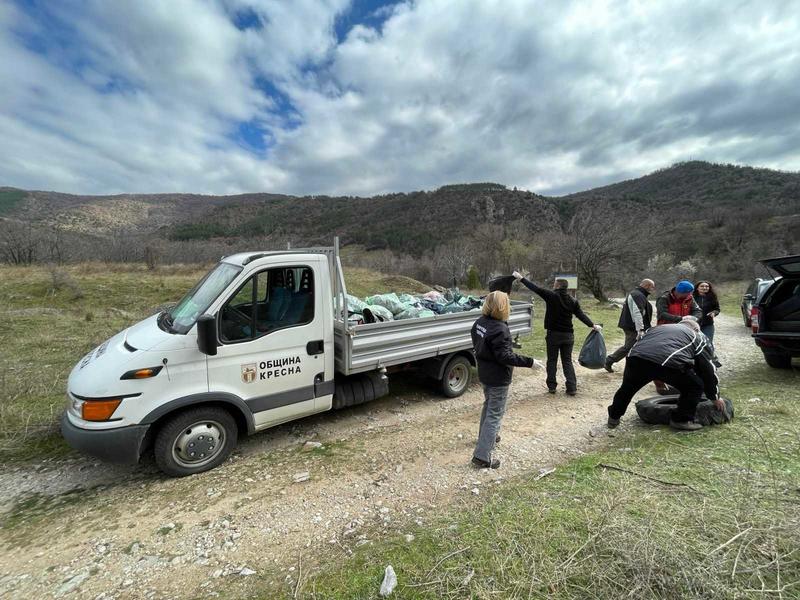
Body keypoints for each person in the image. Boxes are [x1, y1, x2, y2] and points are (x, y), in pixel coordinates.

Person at [607, 317, 722, 431]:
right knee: (695, 386)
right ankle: (681, 420)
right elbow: (707, 369)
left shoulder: (657, 328)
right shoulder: (696, 336)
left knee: (627, 388)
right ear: (696, 329)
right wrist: (714, 396)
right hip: (666, 361)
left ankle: (613, 417)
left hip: (636, 357)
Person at [470, 291, 540, 469]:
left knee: (488, 407)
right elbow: (505, 357)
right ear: (503, 306)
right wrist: (530, 362)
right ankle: (482, 456)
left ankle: (486, 438)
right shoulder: (500, 329)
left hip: (485, 374)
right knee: (494, 414)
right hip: (497, 377)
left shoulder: (480, 323)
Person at [512, 271, 602, 395]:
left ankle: (552, 386)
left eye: (555, 284)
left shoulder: (551, 296)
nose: (553, 285)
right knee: (567, 361)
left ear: (558, 286)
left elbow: (535, 289)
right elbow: (581, 315)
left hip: (553, 335)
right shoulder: (573, 300)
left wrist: (521, 278)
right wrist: (592, 325)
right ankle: (572, 388)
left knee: (552, 360)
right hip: (568, 336)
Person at [653, 280, 703, 393]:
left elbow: (698, 310)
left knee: (683, 356)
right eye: (687, 294)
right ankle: (660, 383)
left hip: (684, 331)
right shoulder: (664, 298)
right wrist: (680, 319)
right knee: (664, 356)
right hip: (666, 331)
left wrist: (694, 318)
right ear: (679, 292)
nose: (689, 295)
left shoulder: (690, 298)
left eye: (690, 293)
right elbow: (662, 314)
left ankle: (679, 381)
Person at [604, 279, 656, 372]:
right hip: (633, 327)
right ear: (647, 286)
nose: (653, 289)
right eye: (652, 287)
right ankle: (608, 361)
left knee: (637, 346)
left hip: (632, 325)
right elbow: (637, 312)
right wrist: (640, 329)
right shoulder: (638, 295)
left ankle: (637, 367)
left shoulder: (638, 294)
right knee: (629, 347)